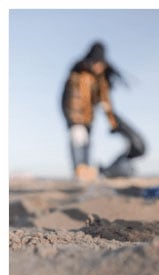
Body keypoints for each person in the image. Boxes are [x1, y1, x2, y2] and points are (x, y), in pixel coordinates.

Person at [61, 41, 145, 180]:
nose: (99, 67)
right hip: (75, 118)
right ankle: (79, 173)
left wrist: (113, 123)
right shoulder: (78, 73)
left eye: (102, 64)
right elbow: (67, 99)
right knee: (78, 141)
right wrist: (71, 120)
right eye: (97, 63)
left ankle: (85, 173)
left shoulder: (100, 80)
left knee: (86, 144)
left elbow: (105, 102)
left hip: (88, 119)